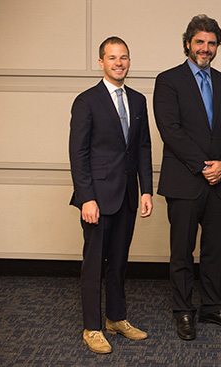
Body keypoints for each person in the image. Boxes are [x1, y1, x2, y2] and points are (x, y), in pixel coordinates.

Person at [153, 14, 221, 341]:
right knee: (182, 252)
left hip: (220, 185)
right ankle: (183, 312)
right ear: (188, 44)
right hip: (185, 183)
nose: (205, 49)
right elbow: (171, 131)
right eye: (200, 42)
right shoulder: (168, 80)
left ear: (217, 46)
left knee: (213, 250)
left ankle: (211, 306)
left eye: (211, 43)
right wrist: (204, 165)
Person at [69, 36, 153, 354]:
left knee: (118, 262)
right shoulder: (86, 101)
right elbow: (78, 154)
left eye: (124, 57)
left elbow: (142, 147)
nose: (119, 63)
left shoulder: (138, 100)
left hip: (128, 197)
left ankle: (116, 318)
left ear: (129, 62)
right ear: (101, 62)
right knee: (94, 264)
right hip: (97, 199)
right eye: (112, 57)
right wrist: (86, 197)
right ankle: (92, 328)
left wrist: (146, 189)